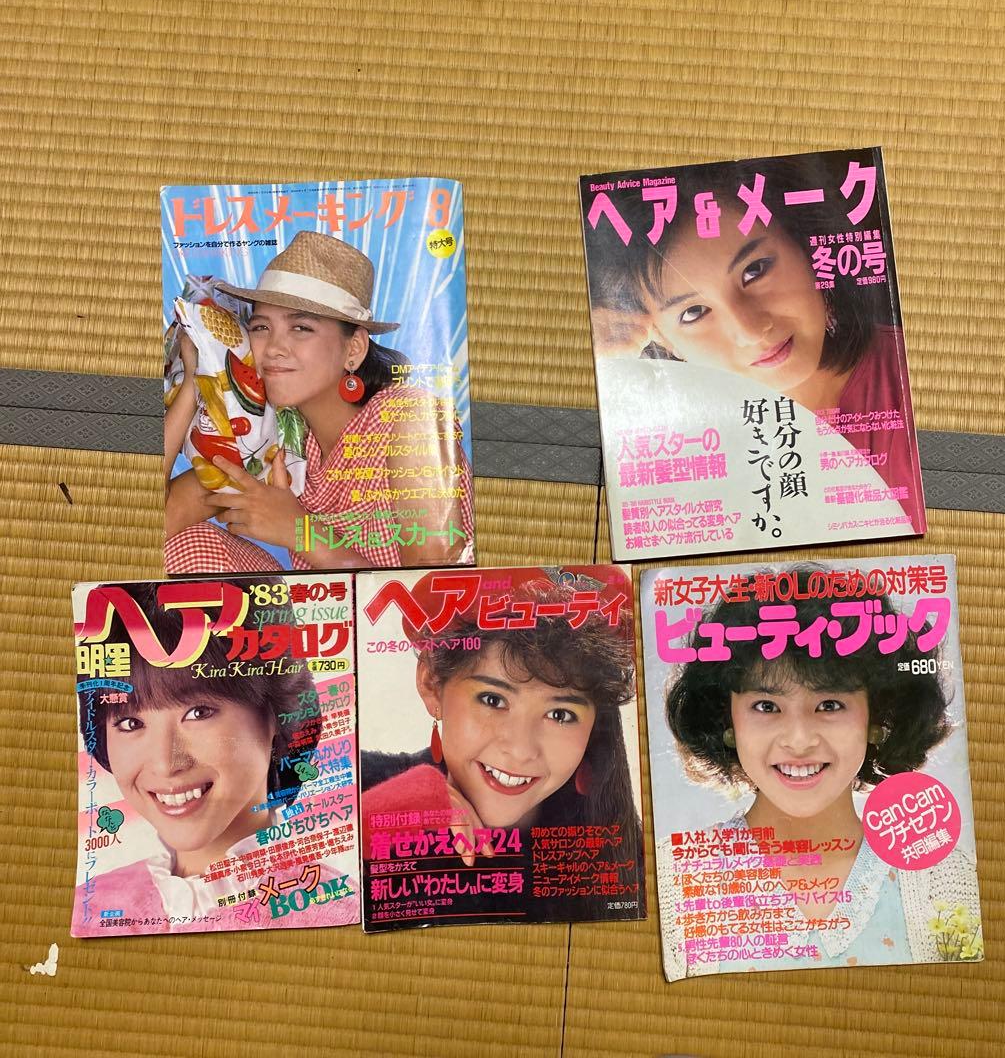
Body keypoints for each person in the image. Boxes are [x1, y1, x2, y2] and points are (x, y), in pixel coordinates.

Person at [658, 570, 981, 975]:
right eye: (766, 706)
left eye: (829, 705)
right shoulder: (675, 881)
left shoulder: (942, 880)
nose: (799, 740)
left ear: (876, 718)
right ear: (728, 721)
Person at [583, 156, 924, 526]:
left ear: (805, 250)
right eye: (694, 312)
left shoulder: (908, 386)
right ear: (665, 341)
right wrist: (604, 365)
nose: (749, 330)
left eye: (755, 270)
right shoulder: (675, 445)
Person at [164, 230, 474, 573]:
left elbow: (435, 591)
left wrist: (300, 531)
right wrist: (194, 381)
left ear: (354, 348)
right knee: (187, 545)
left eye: (301, 328)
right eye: (262, 327)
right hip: (317, 608)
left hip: (419, 609)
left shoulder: (409, 420)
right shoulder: (277, 437)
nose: (274, 348)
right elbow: (158, 520)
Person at [73, 578, 355, 935]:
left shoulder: (335, 910)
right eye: (130, 722)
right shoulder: (95, 905)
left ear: (274, 715)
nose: (165, 764)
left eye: (199, 713)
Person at [360, 570, 644, 922]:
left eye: (560, 714)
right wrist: (381, 818)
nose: (521, 750)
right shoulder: (354, 791)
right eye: (493, 699)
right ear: (432, 683)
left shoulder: (623, 857)